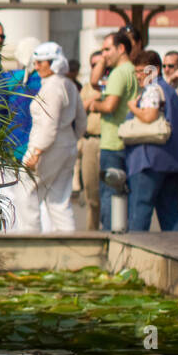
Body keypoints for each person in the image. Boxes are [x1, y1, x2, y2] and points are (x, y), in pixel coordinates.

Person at [124, 50, 178, 231]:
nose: (139, 76)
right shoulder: (168, 90)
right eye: (137, 72)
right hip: (169, 162)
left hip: (149, 160)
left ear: (155, 69)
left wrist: (133, 107)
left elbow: (149, 116)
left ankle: (135, 255)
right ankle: (177, 255)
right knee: (170, 214)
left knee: (139, 211)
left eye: (143, 71)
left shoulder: (152, 89)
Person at [22, 43, 86, 233]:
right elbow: (82, 121)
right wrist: (72, 139)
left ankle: (28, 244)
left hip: (48, 148)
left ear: (53, 63)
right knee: (59, 201)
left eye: (41, 62)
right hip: (67, 146)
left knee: (27, 194)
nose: (37, 66)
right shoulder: (69, 85)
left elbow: (49, 125)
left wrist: (36, 152)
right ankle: (68, 251)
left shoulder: (52, 87)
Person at [85, 29, 138, 231]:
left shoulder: (118, 73)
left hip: (113, 142)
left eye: (107, 49)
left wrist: (93, 105)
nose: (104, 54)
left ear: (121, 48)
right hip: (127, 141)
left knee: (109, 194)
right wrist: (103, 59)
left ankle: (109, 239)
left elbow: (109, 106)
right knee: (124, 195)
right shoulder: (133, 70)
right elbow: (93, 81)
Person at [0, 37, 42, 233]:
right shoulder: (44, 81)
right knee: (33, 199)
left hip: (6, 146)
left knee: (7, 196)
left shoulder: (8, 79)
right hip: (34, 148)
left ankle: (9, 236)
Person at [78, 48, 105, 230]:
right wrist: (90, 102)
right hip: (89, 141)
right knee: (90, 190)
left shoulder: (110, 84)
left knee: (108, 191)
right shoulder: (86, 88)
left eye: (100, 64)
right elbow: (78, 111)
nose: (97, 68)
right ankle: (92, 230)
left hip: (107, 141)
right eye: (94, 65)